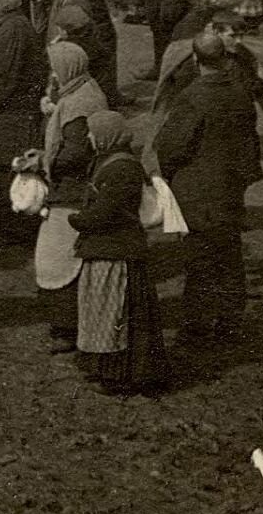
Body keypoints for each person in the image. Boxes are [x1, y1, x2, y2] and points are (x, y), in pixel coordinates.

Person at [151, 17, 261, 347]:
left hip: (199, 190)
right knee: (229, 256)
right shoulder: (240, 92)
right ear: (224, 57)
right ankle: (230, 321)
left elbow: (170, 146)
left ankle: (196, 327)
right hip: (231, 186)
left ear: (196, 60)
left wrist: (171, 175)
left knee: (200, 260)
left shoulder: (193, 97)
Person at [68, 110, 164, 394]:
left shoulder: (121, 169)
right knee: (103, 315)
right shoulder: (113, 162)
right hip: (110, 249)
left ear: (106, 135)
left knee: (115, 317)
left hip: (116, 253)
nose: (88, 138)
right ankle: (106, 369)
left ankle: (119, 375)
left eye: (92, 133)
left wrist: (77, 220)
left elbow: (107, 211)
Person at [32, 38, 105, 352]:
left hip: (72, 193)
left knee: (58, 260)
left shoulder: (77, 106)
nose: (51, 75)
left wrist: (42, 161)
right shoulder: (83, 91)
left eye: (54, 68)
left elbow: (75, 153)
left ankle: (68, 327)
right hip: (77, 188)